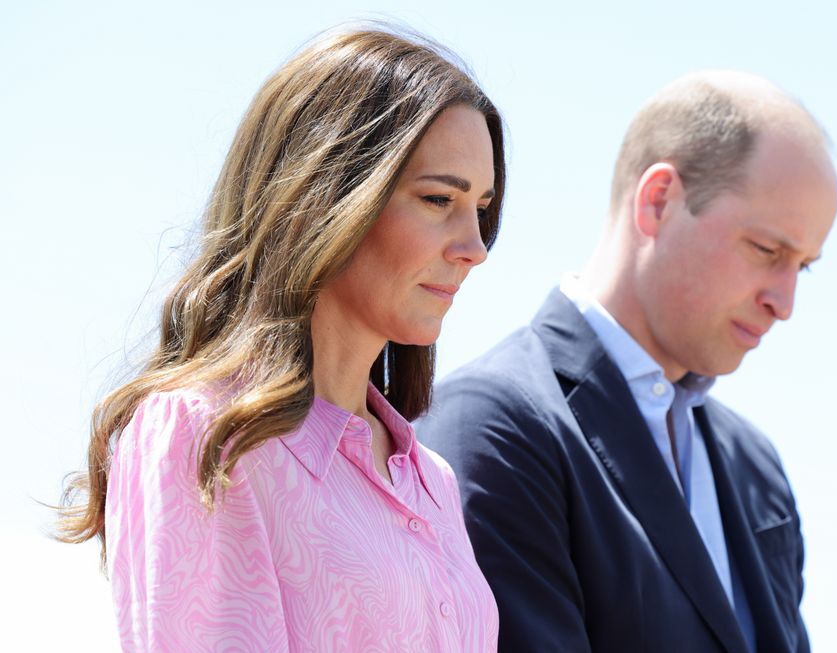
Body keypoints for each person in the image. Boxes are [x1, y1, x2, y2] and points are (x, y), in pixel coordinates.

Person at [57, 27, 506, 652]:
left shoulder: (432, 479)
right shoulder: (205, 436)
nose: (475, 248)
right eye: (438, 199)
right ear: (327, 197)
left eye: (481, 208)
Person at [416, 71, 837, 653]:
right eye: (768, 251)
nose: (784, 302)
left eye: (804, 266)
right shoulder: (493, 426)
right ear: (659, 200)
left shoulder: (754, 465)